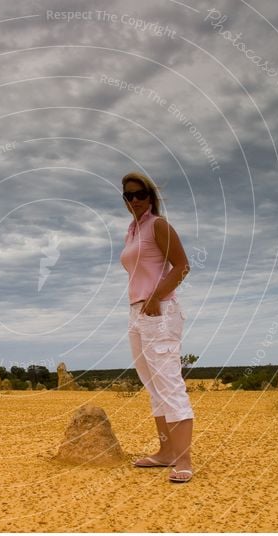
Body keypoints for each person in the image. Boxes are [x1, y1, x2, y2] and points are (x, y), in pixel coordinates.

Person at [119, 172, 194, 483]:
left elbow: (182, 265)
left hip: (159, 311)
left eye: (139, 194)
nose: (134, 200)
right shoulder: (133, 231)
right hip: (137, 313)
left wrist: (155, 298)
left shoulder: (158, 225)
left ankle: (184, 460)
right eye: (128, 196)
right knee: (153, 386)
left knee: (169, 384)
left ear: (149, 197)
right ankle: (165, 453)